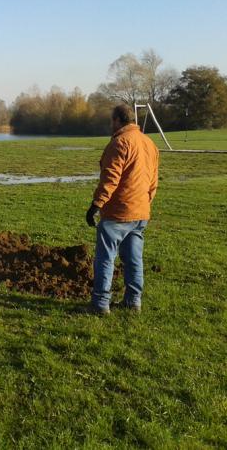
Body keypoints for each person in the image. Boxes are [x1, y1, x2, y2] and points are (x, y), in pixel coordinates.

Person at [85, 104, 159, 315]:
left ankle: (100, 304)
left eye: (112, 120)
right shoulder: (149, 143)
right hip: (140, 212)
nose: (111, 124)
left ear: (117, 120)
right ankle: (133, 301)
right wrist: (145, 203)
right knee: (134, 259)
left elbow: (110, 179)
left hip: (118, 213)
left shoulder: (119, 143)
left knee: (105, 258)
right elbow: (153, 181)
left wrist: (96, 205)